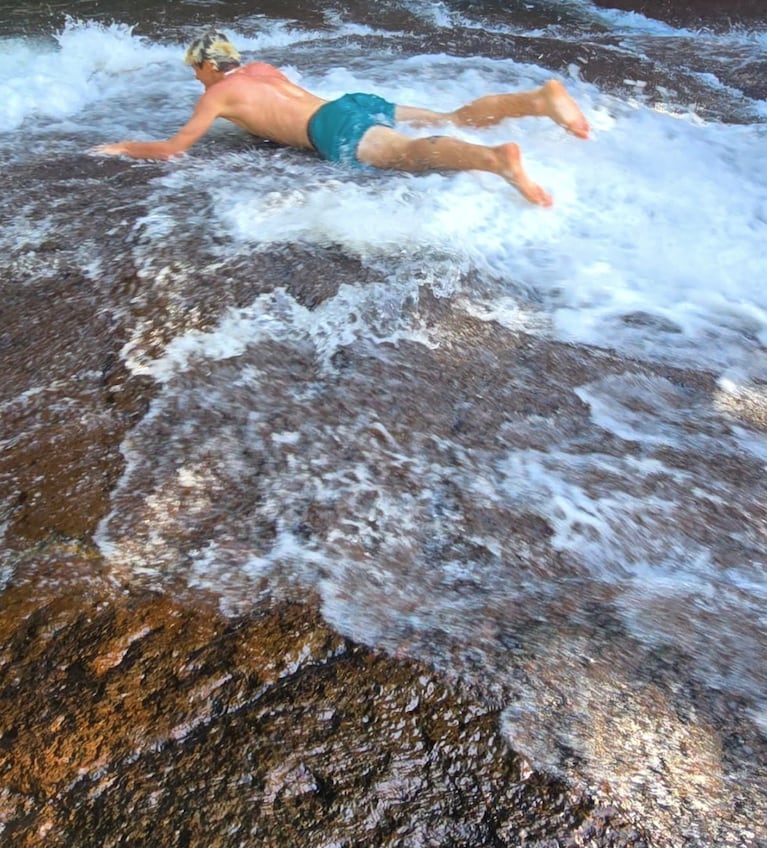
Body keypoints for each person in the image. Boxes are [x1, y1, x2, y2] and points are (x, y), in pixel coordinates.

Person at [92, 30, 590, 206]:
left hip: (333, 128)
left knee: (409, 155)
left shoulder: (217, 94)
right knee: (451, 116)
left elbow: (173, 149)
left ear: (205, 65)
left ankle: (496, 160)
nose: (197, 80)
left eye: (195, 71)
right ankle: (539, 101)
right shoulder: (261, 68)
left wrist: (120, 148)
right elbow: (271, 111)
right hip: (350, 103)